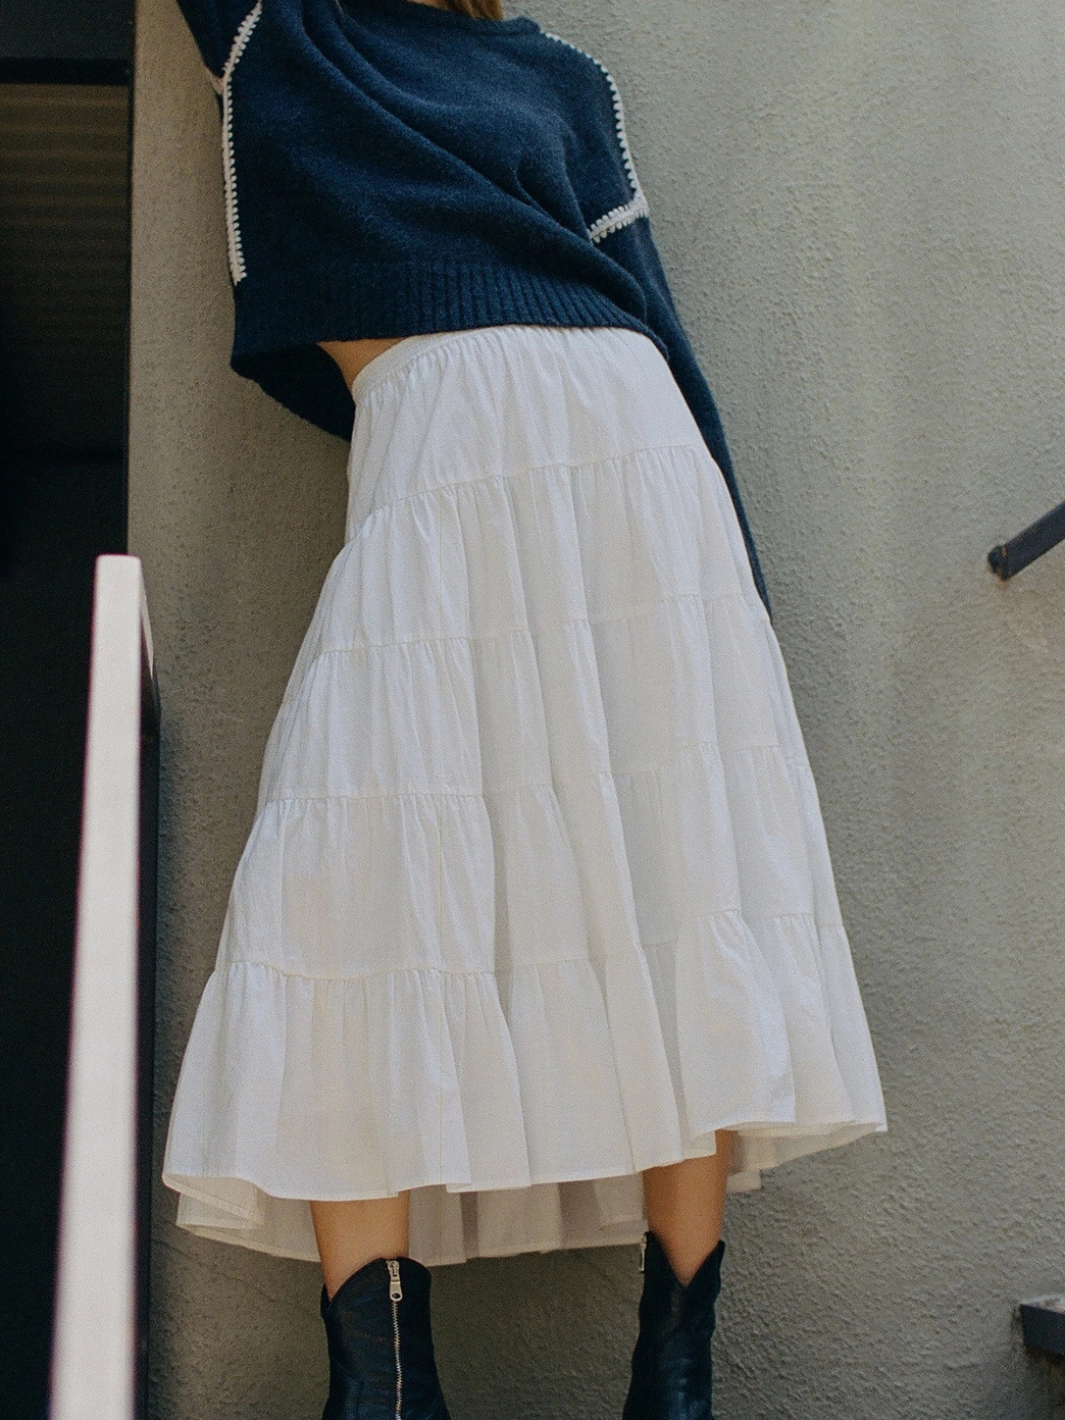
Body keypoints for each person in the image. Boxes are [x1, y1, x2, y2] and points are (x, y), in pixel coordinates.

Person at [161, 0, 887, 1415]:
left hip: (626, 440)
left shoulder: (560, 75)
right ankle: (380, 1386)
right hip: (433, 446)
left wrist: (726, 570)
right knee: (348, 884)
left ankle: (677, 1374)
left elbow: (653, 307)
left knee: (678, 876)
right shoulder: (286, 31)